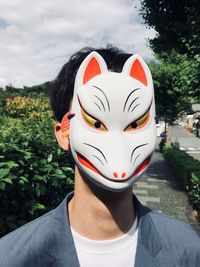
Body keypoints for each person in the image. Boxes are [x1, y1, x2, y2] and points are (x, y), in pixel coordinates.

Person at [0, 46, 199, 267]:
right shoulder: (13, 257)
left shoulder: (187, 251)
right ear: (63, 134)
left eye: (134, 124)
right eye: (95, 123)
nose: (117, 145)